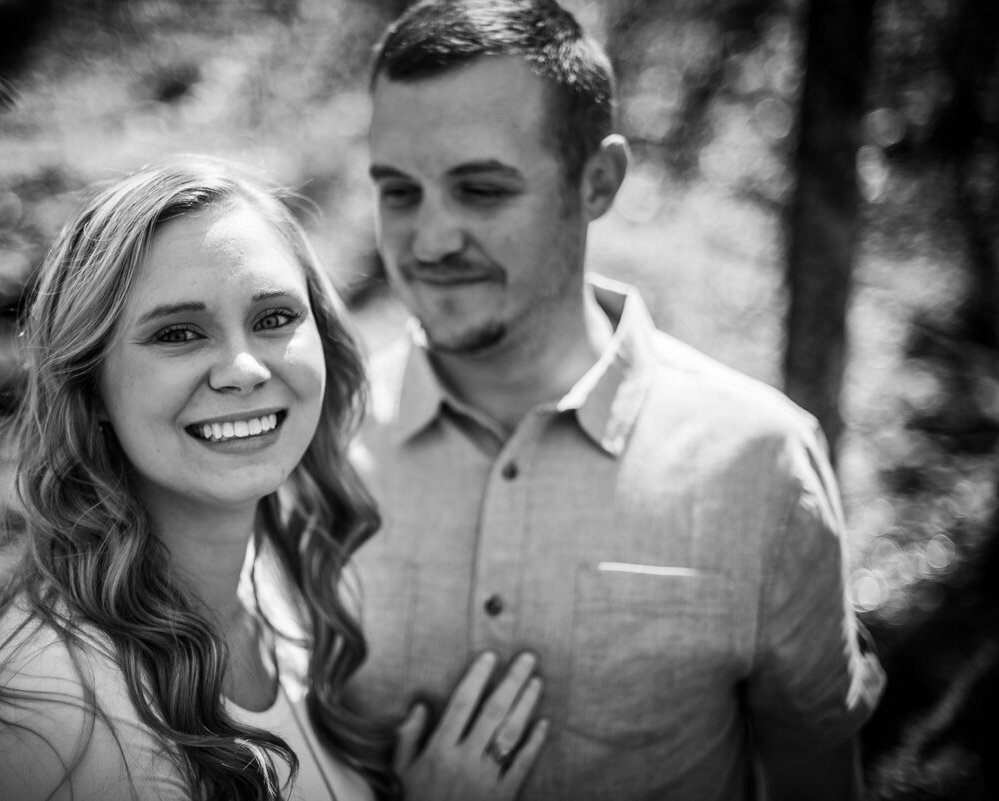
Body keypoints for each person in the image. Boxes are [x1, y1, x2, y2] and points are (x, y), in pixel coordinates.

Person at [346, 2, 887, 799]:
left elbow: (817, 779)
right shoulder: (316, 443)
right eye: (399, 192)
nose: (429, 241)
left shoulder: (761, 462)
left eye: (482, 190)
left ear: (597, 181)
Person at [0, 155, 546, 801]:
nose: (244, 368)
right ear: (90, 387)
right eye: (178, 332)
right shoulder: (47, 698)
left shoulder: (290, 589)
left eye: (275, 318)